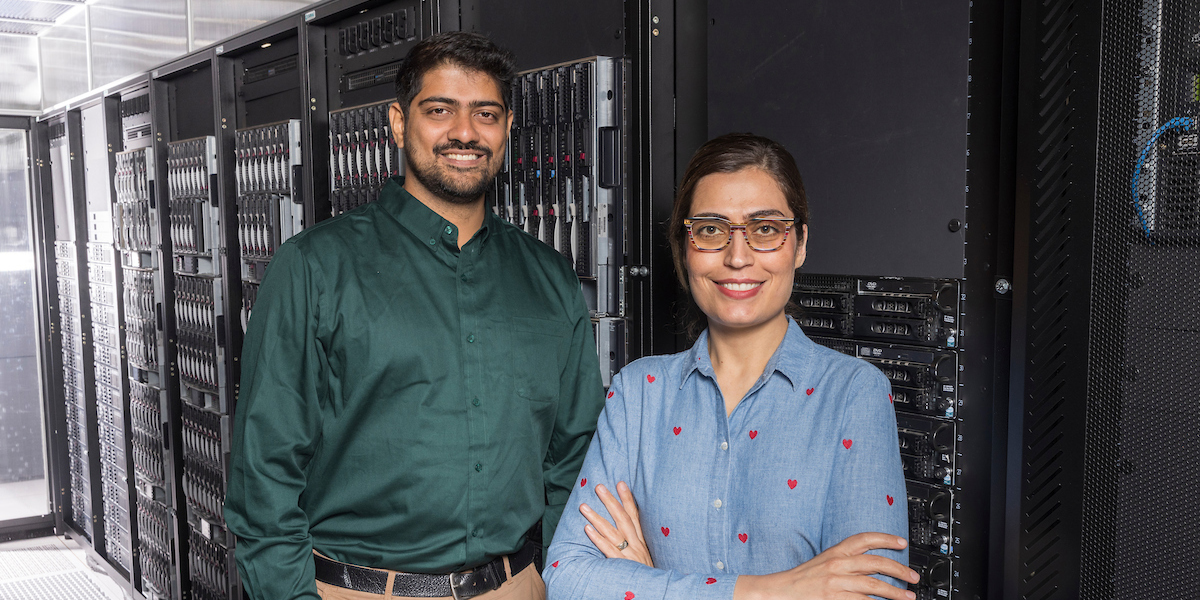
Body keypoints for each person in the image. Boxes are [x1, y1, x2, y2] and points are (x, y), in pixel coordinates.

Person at [225, 32, 606, 600]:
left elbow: (574, 458)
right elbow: (265, 475)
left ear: (505, 129)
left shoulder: (549, 277)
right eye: (439, 111)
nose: (464, 133)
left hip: (519, 588)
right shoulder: (314, 267)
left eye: (486, 114)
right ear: (400, 123)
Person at [542, 133, 917, 600]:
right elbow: (567, 578)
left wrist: (648, 583)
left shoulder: (854, 394)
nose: (737, 257)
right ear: (685, 245)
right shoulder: (640, 391)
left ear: (799, 244)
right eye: (711, 229)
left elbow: (873, 594)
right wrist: (769, 590)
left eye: (765, 229)